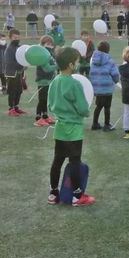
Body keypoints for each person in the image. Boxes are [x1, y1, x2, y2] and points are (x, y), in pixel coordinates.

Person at [46, 48, 95, 207]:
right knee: (75, 162)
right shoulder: (74, 84)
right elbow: (82, 108)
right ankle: (76, 196)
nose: (79, 63)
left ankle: (53, 193)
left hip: (60, 128)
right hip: (73, 130)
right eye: (77, 60)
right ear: (70, 65)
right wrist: (86, 111)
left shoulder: (54, 81)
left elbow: (49, 105)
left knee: (57, 161)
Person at [88, 39, 120, 131]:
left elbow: (91, 73)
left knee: (98, 106)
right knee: (107, 107)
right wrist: (116, 81)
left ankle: (95, 123)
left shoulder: (93, 61)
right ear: (108, 50)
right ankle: (106, 125)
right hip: (107, 88)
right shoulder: (110, 61)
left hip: (97, 88)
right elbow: (115, 74)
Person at [3, 29, 27, 116]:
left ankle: (16, 107)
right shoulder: (9, 49)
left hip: (19, 73)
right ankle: (11, 108)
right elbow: (10, 62)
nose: (16, 39)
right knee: (12, 91)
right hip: (11, 74)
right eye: (14, 37)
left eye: (18, 37)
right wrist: (22, 66)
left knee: (19, 90)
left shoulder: (19, 48)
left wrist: (25, 64)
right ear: (10, 38)